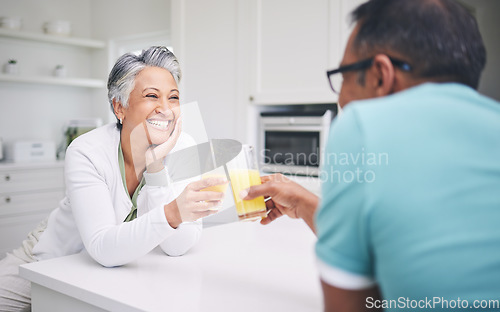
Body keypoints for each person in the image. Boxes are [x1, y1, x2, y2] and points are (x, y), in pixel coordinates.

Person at [243, 0, 500, 311]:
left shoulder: (362, 126)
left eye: (343, 75)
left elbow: (355, 306)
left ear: (380, 75)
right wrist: (306, 203)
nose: (339, 98)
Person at [0, 46, 226, 311]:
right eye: (152, 96)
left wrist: (155, 169)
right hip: (49, 261)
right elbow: (101, 247)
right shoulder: (86, 150)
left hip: (109, 273)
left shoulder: (183, 145)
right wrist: (173, 212)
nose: (165, 109)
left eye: (173, 97)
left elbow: (177, 246)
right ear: (120, 107)